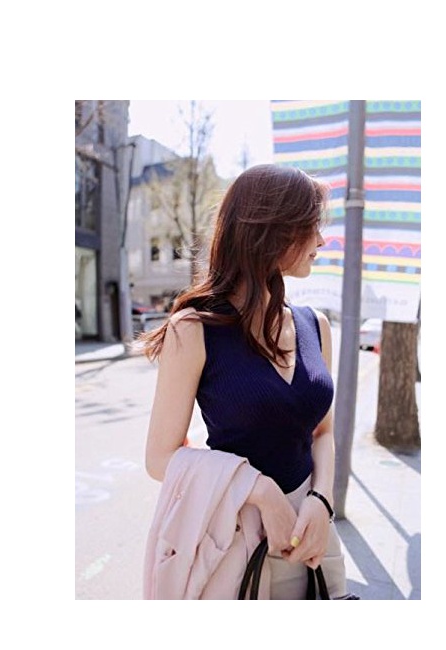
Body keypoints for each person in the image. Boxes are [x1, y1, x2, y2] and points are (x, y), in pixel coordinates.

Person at [141, 163, 348, 599]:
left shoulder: (316, 327)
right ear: (273, 231)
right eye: (311, 226)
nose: (321, 240)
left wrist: (321, 500)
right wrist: (262, 492)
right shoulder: (193, 329)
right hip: (234, 535)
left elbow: (322, 432)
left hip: (314, 532)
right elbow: (159, 458)